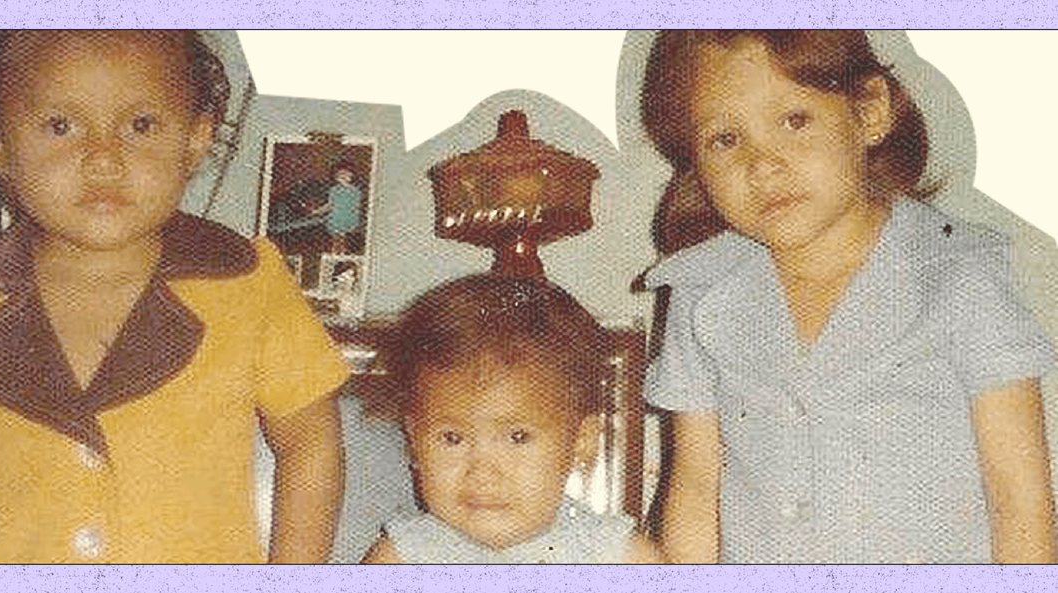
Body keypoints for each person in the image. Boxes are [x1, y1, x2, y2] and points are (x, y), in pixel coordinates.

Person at [0, 30, 348, 563]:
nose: (102, 159)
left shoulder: (247, 283)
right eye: (61, 126)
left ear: (195, 139)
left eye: (140, 125)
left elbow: (310, 441)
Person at [640, 30, 1056, 563]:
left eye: (795, 120)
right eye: (725, 139)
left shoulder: (959, 273)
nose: (763, 165)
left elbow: (1019, 499)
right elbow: (696, 490)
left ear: (869, 111)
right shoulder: (700, 290)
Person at [361, 274, 661, 563]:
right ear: (414, 442)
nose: (482, 472)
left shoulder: (621, 559)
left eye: (518, 437)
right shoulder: (402, 560)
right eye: (452, 438)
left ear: (580, 442)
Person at [324, 163, 362, 254]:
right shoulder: (334, 190)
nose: (343, 176)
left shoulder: (355, 191)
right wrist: (318, 211)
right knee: (336, 237)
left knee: (343, 237)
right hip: (336, 218)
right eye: (340, 174)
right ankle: (336, 252)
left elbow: (356, 206)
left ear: (351, 176)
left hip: (347, 218)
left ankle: (342, 252)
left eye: (346, 174)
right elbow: (330, 204)